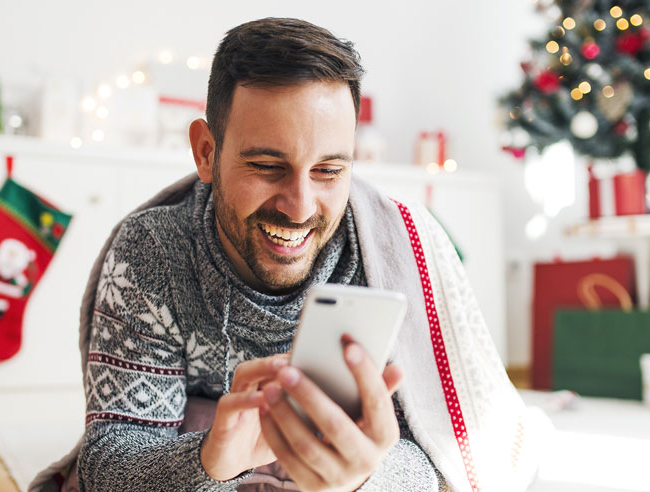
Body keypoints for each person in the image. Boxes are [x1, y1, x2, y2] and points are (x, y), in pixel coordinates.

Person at [30, 17, 547, 492]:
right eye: (266, 165)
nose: (299, 207)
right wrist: (210, 460)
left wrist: (366, 473)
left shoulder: (397, 256)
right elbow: (110, 459)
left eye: (328, 171)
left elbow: (454, 455)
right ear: (207, 152)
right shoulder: (154, 252)